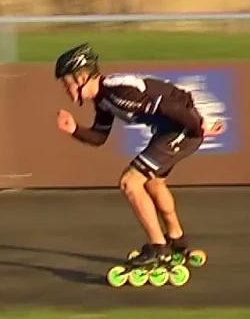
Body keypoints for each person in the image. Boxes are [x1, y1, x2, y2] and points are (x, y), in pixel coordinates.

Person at [53, 43, 208, 267]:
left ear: (82, 77)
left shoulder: (118, 93)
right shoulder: (104, 99)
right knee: (153, 183)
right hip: (173, 128)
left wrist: (198, 126)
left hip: (183, 126)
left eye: (66, 83)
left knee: (130, 182)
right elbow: (99, 137)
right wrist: (74, 129)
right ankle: (177, 240)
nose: (66, 90)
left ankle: (158, 247)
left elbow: (168, 106)